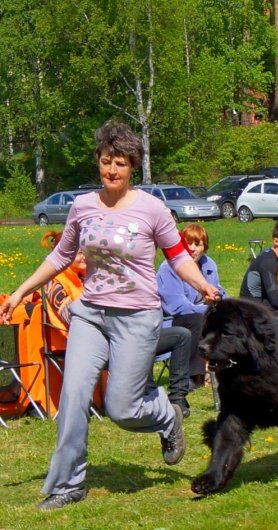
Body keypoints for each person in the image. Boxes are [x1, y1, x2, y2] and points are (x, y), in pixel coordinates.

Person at [0, 120, 220, 510]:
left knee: (122, 408)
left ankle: (167, 417)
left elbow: (178, 256)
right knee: (72, 396)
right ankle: (68, 485)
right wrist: (20, 291)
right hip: (90, 314)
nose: (112, 170)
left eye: (119, 162)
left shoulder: (152, 209)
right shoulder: (83, 207)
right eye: (105, 162)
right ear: (98, 164)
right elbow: (60, 256)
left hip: (137, 317)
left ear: (132, 165)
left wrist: (202, 285)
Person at [44, 231, 196, 419]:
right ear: (65, 254)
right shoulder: (54, 283)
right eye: (79, 252)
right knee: (138, 340)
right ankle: (144, 396)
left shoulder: (88, 277)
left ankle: (177, 399)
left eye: (86, 251)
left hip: (120, 336)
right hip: (89, 345)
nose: (85, 256)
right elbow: (74, 318)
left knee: (180, 335)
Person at [157, 223, 228, 390]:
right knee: (198, 319)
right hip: (173, 320)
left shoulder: (208, 264)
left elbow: (219, 289)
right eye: (188, 243)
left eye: (198, 244)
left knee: (231, 318)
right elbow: (177, 307)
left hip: (202, 314)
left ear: (205, 247)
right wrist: (210, 310)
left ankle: (223, 369)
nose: (193, 249)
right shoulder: (168, 268)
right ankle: (195, 376)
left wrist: (222, 301)